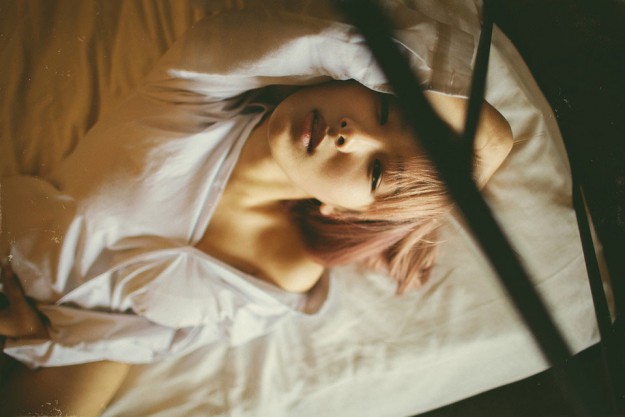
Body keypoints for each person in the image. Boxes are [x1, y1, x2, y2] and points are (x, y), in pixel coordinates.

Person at [0, 5, 513, 415]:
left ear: (346, 210)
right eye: (381, 109)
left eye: (376, 171)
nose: (350, 135)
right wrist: (486, 143)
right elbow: (350, 42)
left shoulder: (286, 271)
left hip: (63, 346)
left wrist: (49, 338)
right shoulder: (194, 94)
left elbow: (155, 339)